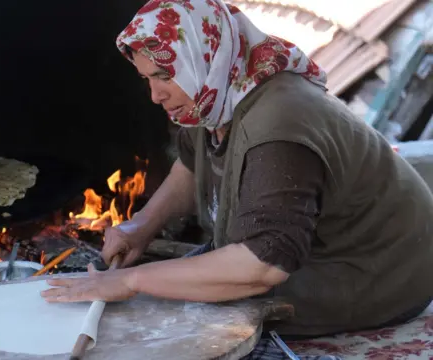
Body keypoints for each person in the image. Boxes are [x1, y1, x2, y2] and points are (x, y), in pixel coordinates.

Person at [41, 0, 433, 358]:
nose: (155, 95)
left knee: (176, 313)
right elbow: (192, 163)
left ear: (203, 54)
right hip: (315, 252)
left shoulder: (279, 121)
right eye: (147, 79)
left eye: (163, 75)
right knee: (168, 293)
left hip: (377, 272)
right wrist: (141, 227)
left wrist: (131, 282)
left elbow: (264, 265)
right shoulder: (217, 89)